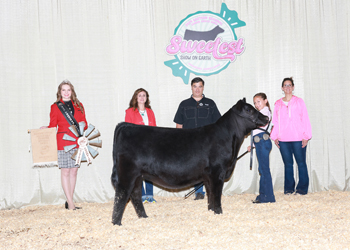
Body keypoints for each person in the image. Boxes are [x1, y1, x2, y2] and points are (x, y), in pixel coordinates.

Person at [41, 80, 88, 210]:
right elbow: (52, 125)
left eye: (68, 90)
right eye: (63, 90)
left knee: (74, 171)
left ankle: (69, 201)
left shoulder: (79, 105)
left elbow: (85, 123)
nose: (66, 92)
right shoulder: (55, 107)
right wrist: (45, 128)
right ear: (60, 92)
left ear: (72, 92)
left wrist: (83, 136)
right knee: (65, 171)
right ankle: (71, 203)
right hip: (63, 141)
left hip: (77, 141)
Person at [174, 77, 221, 200]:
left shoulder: (210, 103)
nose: (197, 89)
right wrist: (178, 142)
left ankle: (211, 191)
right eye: (195, 86)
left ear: (203, 87)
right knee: (195, 167)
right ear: (191, 87)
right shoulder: (184, 104)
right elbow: (179, 124)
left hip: (207, 142)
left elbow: (218, 124)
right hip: (189, 142)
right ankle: (199, 192)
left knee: (209, 167)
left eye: (200, 86)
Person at [270, 77, 312, 195]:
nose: (287, 87)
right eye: (285, 85)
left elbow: (305, 119)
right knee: (288, 165)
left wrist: (306, 136)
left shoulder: (299, 101)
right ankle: (288, 189)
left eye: (289, 85)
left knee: (301, 163)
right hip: (283, 140)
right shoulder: (278, 104)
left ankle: (302, 189)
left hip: (298, 138)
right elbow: (275, 122)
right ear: (282, 88)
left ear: (293, 87)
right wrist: (275, 137)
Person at [125, 88, 157, 203]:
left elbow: (155, 129)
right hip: (136, 147)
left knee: (150, 171)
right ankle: (142, 196)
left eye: (144, 95)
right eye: (140, 96)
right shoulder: (129, 112)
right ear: (136, 98)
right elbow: (127, 131)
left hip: (150, 146)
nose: (142, 98)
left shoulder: (150, 112)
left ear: (146, 98)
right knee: (138, 171)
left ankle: (149, 195)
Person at [248, 93, 275, 203]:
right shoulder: (260, 113)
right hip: (259, 142)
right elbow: (257, 131)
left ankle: (268, 197)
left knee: (264, 170)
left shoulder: (265, 112)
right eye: (255, 103)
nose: (256, 104)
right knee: (262, 169)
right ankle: (263, 195)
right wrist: (253, 145)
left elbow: (261, 125)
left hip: (262, 142)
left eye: (258, 101)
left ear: (265, 101)